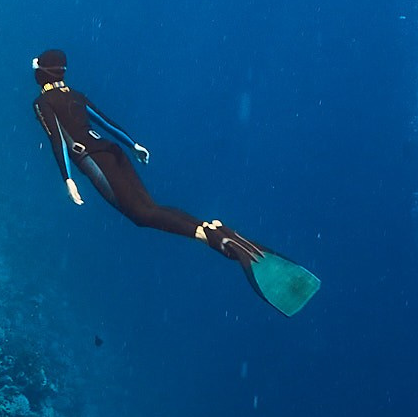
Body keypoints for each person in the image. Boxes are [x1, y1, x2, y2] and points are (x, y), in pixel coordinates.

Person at [31, 49, 319, 316]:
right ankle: (211, 229)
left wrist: (68, 178)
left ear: (42, 73)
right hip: (113, 153)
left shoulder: (42, 102)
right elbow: (107, 123)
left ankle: (215, 238)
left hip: (91, 160)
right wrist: (133, 145)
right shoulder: (76, 95)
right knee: (151, 208)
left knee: (142, 216)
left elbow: (57, 139)